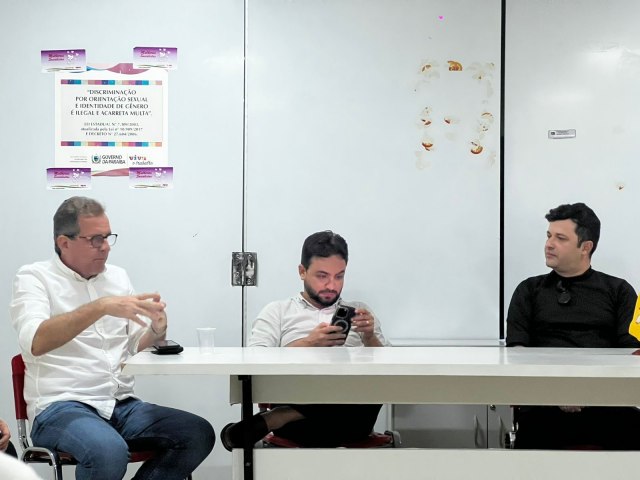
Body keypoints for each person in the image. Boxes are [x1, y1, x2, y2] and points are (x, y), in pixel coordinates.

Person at [9, 197, 215, 480]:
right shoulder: (34, 278)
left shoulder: (117, 277)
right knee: (107, 451)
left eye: (107, 237)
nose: (105, 247)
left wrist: (157, 330)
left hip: (120, 404)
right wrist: (100, 307)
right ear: (64, 242)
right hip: (60, 407)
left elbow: (133, 345)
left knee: (196, 433)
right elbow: (35, 341)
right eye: (95, 239)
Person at [221, 230, 390, 450]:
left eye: (339, 276)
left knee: (363, 391)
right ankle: (290, 412)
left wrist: (369, 337)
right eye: (322, 276)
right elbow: (254, 361)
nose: (332, 285)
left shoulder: (359, 312)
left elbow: (390, 370)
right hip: (300, 424)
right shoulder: (278, 311)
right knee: (340, 396)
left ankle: (283, 415)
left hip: (354, 418)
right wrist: (308, 344)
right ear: (302, 271)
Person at [506, 202, 640, 449]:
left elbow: (631, 356)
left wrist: (587, 391)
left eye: (560, 238)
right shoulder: (529, 290)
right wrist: (558, 390)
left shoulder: (619, 291)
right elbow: (517, 354)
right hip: (545, 403)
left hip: (605, 402)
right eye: (548, 235)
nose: (549, 244)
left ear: (586, 247)